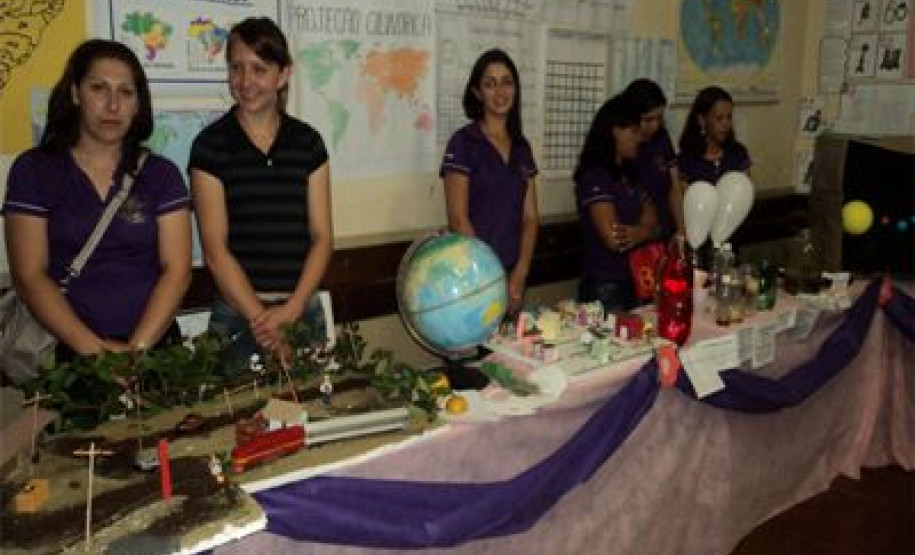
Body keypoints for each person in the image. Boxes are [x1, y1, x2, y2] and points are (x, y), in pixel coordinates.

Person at [3, 39, 191, 360]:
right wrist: (97, 355)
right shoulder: (34, 171)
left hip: (152, 349)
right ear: (76, 93)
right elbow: (30, 275)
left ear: (137, 105)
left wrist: (136, 352)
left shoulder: (162, 175)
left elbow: (178, 270)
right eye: (99, 88)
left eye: (126, 93)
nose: (113, 105)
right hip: (67, 351)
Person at [189, 17, 332, 371]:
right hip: (237, 317)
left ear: (283, 75)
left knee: (309, 419)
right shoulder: (210, 147)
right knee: (235, 423)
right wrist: (263, 322)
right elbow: (215, 249)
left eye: (259, 68)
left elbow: (323, 237)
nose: (245, 81)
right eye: (236, 68)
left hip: (301, 312)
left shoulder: (308, 144)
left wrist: (293, 308)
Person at [441, 48, 539, 315]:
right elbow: (458, 219)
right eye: (490, 84)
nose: (500, 92)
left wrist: (520, 272)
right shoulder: (463, 143)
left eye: (507, 82)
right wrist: (493, 277)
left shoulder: (522, 147)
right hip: (472, 278)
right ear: (477, 93)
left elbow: (530, 218)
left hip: (513, 278)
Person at [575, 94, 659, 313]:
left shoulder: (630, 172)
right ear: (614, 131)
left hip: (637, 279)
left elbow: (655, 222)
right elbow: (615, 239)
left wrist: (638, 232)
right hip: (606, 286)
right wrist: (644, 230)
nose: (639, 139)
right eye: (633, 132)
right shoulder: (596, 176)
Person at [623, 78, 683, 240]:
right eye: (648, 120)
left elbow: (674, 186)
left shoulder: (661, 137)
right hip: (636, 236)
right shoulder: (624, 146)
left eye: (659, 118)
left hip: (664, 231)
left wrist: (681, 231)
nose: (655, 126)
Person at [677, 85, 751, 185]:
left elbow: (744, 191)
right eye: (719, 118)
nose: (726, 124)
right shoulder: (685, 161)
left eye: (729, 117)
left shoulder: (738, 154)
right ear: (702, 120)